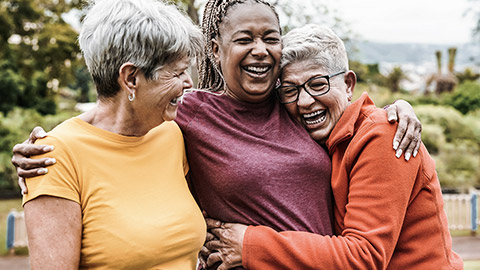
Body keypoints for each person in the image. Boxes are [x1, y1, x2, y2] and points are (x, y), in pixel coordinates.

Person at [12, 1, 422, 269]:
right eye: (244, 39)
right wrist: (50, 144)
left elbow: (342, 109)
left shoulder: (294, 103)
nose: (260, 50)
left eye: (270, 39)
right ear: (214, 48)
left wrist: (393, 111)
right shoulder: (188, 116)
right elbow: (118, 114)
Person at [201, 24, 463, 269]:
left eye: (317, 84)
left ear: (348, 84)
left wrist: (248, 244)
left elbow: (363, 256)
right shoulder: (317, 141)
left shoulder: (383, 136)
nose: (304, 101)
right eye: (291, 90)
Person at [19, 0, 206, 269]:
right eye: (177, 72)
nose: (188, 82)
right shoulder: (53, 156)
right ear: (130, 78)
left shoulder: (172, 133)